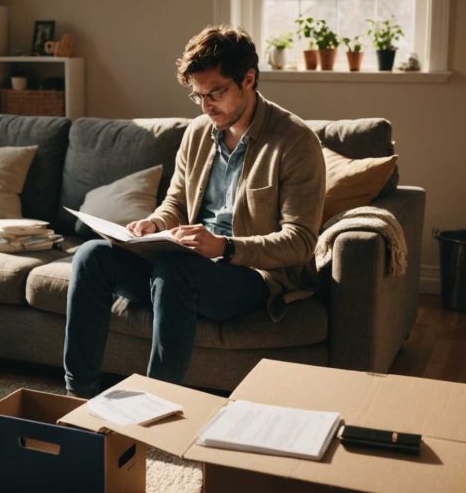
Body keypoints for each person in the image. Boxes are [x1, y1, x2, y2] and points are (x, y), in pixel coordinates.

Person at [63, 25, 326, 397]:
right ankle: (79, 395)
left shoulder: (295, 142)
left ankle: (154, 403)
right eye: (197, 95)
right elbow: (176, 203)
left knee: (176, 270)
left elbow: (299, 242)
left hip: (250, 274)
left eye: (215, 92)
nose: (205, 106)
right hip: (185, 262)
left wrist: (225, 247)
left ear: (248, 79)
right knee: (91, 256)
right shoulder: (199, 132)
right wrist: (155, 223)